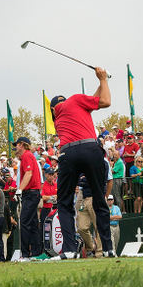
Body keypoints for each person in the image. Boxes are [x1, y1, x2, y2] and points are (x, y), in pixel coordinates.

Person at [51, 67, 114, 258]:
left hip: (67, 153)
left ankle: (69, 250)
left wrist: (101, 82)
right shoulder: (76, 100)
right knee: (99, 199)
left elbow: (94, 101)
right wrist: (103, 79)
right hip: (90, 149)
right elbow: (105, 101)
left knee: (63, 202)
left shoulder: (59, 115)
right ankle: (109, 248)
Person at [13, 138, 43, 259]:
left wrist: (20, 189)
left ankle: (25, 254)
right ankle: (36, 252)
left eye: (17, 145)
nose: (15, 148)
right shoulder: (26, 157)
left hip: (30, 193)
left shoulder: (27, 156)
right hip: (32, 193)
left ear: (22, 145)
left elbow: (29, 173)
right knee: (32, 223)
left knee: (24, 222)